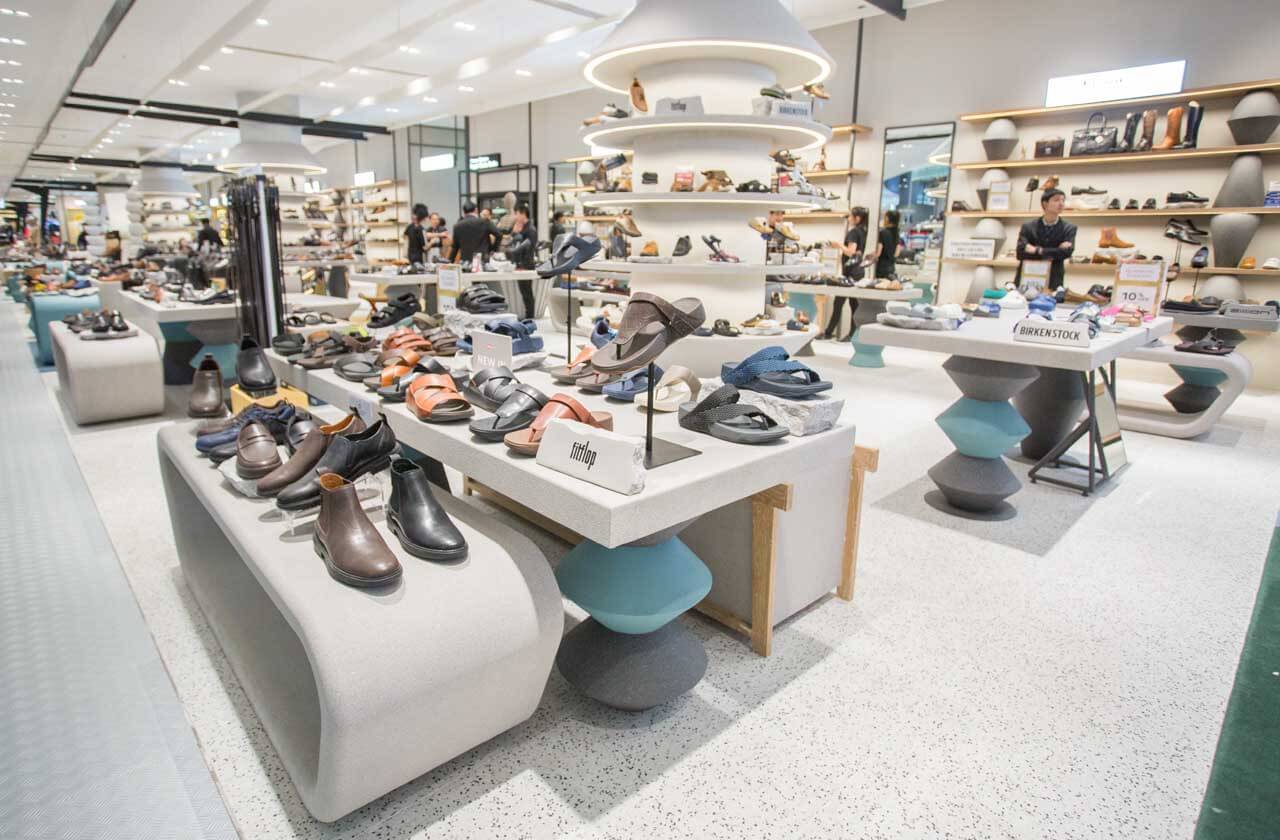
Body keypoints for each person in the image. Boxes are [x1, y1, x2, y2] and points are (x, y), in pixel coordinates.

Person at [822, 207, 869, 340]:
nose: (848, 219)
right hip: (858, 272)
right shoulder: (863, 232)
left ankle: (828, 332)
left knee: (839, 303)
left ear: (857, 218)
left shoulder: (853, 232)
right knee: (853, 305)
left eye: (850, 216)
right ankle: (852, 335)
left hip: (850, 273)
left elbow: (850, 252)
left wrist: (838, 245)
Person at [1015, 187, 1075, 290]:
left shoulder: (1069, 228)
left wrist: (1037, 250)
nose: (1061, 204)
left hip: (1053, 278)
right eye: (1056, 200)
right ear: (1045, 203)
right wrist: (1055, 251)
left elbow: (1066, 253)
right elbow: (1020, 253)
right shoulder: (1028, 227)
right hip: (1028, 275)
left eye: (1063, 200)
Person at [506, 203, 539, 318]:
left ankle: (530, 317)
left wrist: (517, 234)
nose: (515, 216)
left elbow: (524, 246)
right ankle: (528, 315)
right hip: (520, 263)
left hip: (526, 264)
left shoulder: (530, 229)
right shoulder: (521, 228)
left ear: (523, 214)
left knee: (527, 292)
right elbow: (512, 243)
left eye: (517, 213)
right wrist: (515, 233)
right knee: (524, 292)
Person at [449, 201, 499, 266]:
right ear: (476, 210)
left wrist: (450, 262)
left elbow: (455, 247)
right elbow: (499, 235)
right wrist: (493, 249)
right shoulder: (484, 222)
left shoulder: (457, 226)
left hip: (466, 262)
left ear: (464, 212)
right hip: (483, 261)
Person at [872, 209, 902, 280]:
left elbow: (878, 252)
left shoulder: (883, 232)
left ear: (887, 218)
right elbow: (897, 252)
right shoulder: (897, 233)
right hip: (891, 266)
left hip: (882, 267)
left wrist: (872, 256)